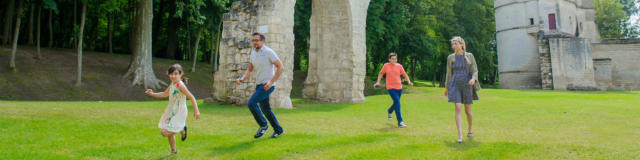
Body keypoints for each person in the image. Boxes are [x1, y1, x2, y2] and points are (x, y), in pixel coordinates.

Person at [236, 32, 285, 139]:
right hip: (259, 85)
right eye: (253, 40)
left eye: (257, 40)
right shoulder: (253, 53)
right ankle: (278, 130)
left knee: (251, 103)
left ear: (263, 41)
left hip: (267, 85)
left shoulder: (269, 52)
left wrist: (271, 82)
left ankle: (263, 125)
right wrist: (242, 78)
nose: (255, 42)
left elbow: (280, 67)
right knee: (266, 110)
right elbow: (250, 69)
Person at [145, 64, 200, 155]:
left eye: (175, 74)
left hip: (179, 111)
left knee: (164, 132)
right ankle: (173, 151)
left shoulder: (180, 85)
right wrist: (152, 94)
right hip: (172, 111)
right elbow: (164, 94)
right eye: (171, 74)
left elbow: (191, 97)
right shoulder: (173, 84)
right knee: (168, 131)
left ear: (180, 74)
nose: (173, 76)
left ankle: (182, 129)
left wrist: (196, 110)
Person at [444, 36, 480, 143]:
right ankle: (460, 136)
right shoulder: (450, 57)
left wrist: (473, 79)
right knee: (458, 108)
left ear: (461, 44)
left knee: (467, 110)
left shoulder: (469, 56)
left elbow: (475, 70)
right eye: (453, 44)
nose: (454, 46)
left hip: (467, 84)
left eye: (456, 43)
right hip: (454, 84)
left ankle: (470, 130)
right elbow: (449, 73)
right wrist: (447, 87)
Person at [374, 53, 414, 128]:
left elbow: (405, 74)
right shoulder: (386, 66)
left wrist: (409, 81)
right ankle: (400, 122)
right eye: (392, 59)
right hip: (390, 87)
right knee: (397, 102)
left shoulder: (399, 66)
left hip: (399, 87)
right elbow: (381, 73)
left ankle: (389, 110)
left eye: (395, 59)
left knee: (396, 102)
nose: (394, 60)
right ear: (389, 59)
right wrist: (378, 82)